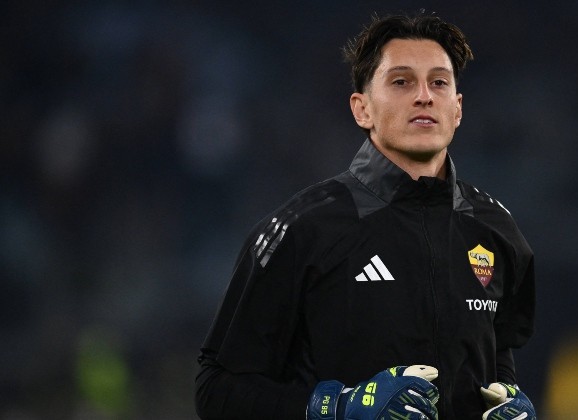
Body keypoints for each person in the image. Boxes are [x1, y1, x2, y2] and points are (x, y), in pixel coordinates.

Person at [195, 12, 536, 420]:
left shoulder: (496, 227)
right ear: (362, 109)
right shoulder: (302, 230)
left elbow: (496, 360)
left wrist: (511, 403)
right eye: (401, 82)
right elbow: (216, 390)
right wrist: (334, 409)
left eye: (439, 82)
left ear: (458, 109)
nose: (424, 96)